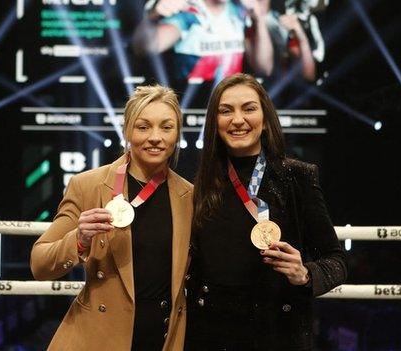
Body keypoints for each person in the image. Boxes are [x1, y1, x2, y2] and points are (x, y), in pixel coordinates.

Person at [186, 73, 347, 350]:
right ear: (215, 121)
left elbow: (337, 262)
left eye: (249, 108)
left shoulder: (298, 177)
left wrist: (305, 274)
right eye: (226, 111)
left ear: (265, 117)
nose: (238, 120)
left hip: (277, 333)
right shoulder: (199, 183)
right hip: (210, 334)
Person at [30, 85, 193, 350]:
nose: (155, 137)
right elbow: (40, 265)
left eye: (166, 127)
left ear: (177, 134)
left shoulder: (190, 196)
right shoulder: (88, 186)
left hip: (164, 339)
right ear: (127, 131)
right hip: (98, 339)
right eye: (143, 127)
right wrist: (79, 240)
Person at [133, 0, 273, 81]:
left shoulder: (238, 12)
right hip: (196, 106)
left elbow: (264, 67)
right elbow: (145, 48)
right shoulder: (189, 11)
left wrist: (259, 19)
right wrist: (152, 16)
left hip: (230, 105)